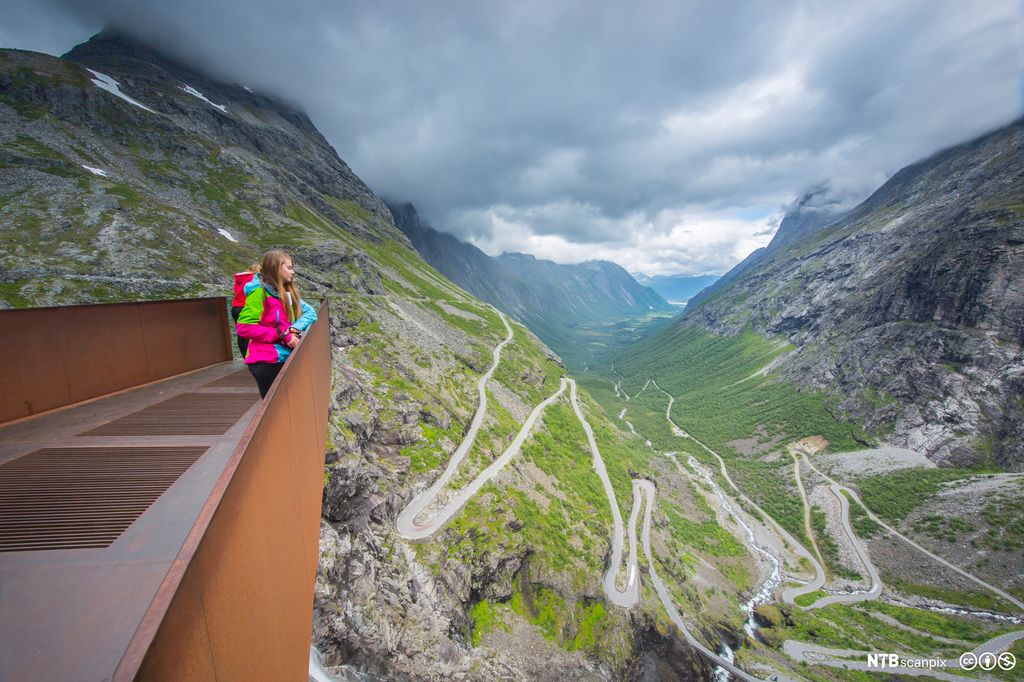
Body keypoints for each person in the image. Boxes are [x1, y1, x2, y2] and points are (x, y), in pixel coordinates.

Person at [236, 249, 317, 398]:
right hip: (266, 361)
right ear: (275, 267)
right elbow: (244, 328)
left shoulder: (285, 293)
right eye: (289, 268)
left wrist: (292, 329)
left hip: (283, 357)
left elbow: (311, 312)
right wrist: (284, 335)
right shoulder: (259, 293)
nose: (292, 272)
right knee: (275, 409)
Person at [231, 263, 261, 357]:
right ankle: (249, 356)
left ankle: (244, 356)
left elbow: (235, 291)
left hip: (235, 307)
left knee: (240, 333)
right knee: (249, 332)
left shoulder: (239, 279)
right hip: (244, 307)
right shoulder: (252, 278)